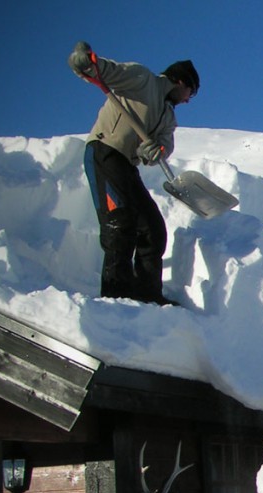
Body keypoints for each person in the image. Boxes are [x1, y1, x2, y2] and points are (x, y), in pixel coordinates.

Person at [68, 41, 199, 305]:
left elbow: (165, 145)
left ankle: (147, 294)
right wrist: (87, 64)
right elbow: (108, 72)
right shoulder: (142, 79)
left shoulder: (168, 117)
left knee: (152, 229)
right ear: (181, 81)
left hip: (127, 165)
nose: (187, 100)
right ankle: (115, 296)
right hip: (105, 151)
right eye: (190, 93)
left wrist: (156, 151)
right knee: (120, 222)